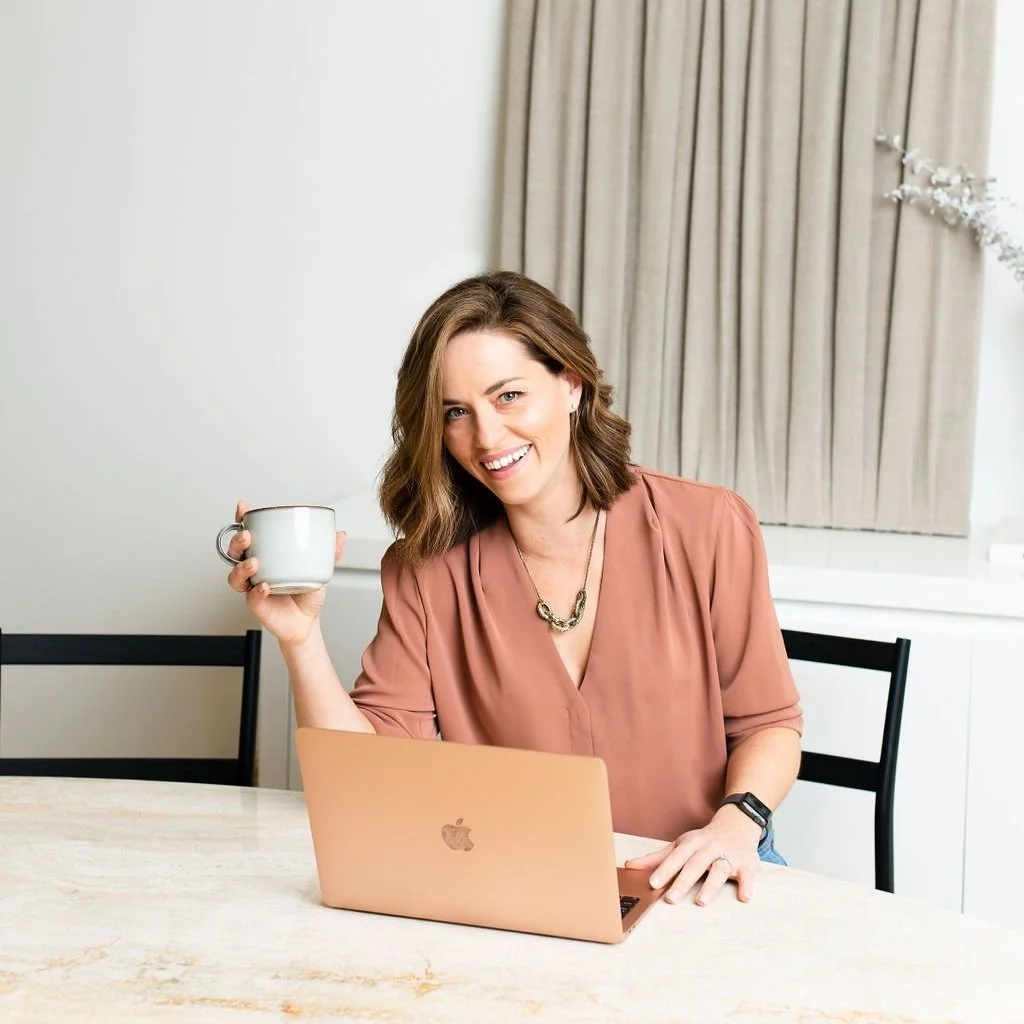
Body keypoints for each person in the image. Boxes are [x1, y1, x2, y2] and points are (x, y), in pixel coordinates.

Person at [225, 271, 803, 908]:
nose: (488, 438)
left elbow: (769, 724)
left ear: (572, 384)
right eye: (456, 413)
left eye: (509, 396)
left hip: (699, 871)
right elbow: (367, 776)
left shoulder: (707, 525)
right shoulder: (426, 570)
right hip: (526, 885)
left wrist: (734, 824)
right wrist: (300, 639)